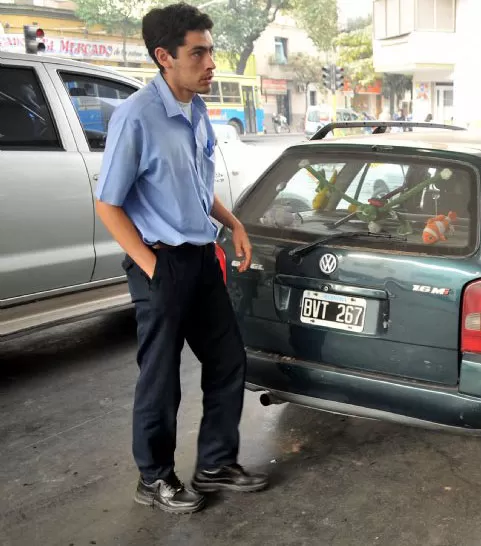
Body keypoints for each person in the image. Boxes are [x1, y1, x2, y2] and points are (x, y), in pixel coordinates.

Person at [94, 2, 267, 514]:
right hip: (161, 263)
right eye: (199, 52)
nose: (211, 61)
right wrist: (152, 269)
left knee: (227, 359)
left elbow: (197, 185)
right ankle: (154, 478)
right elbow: (108, 204)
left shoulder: (196, 109)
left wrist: (231, 224)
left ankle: (215, 463)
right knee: (161, 376)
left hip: (200, 256)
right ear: (164, 56)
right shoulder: (136, 118)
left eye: (211, 50)